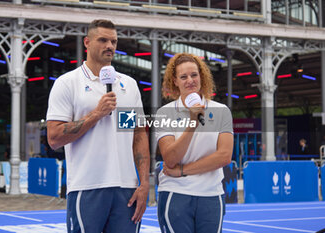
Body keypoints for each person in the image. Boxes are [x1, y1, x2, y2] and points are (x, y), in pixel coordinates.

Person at [46, 19, 150, 233]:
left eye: (113, 41)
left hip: (126, 189)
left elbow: (137, 135)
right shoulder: (67, 83)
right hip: (86, 187)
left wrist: (144, 184)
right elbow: (54, 138)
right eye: (103, 40)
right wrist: (96, 114)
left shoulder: (128, 85)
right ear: (87, 42)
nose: (109, 46)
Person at [155, 53, 234, 233]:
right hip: (176, 194)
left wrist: (183, 171)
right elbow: (170, 158)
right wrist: (192, 122)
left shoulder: (221, 111)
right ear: (175, 81)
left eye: (194, 75)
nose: (190, 80)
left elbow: (224, 156)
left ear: (202, 76)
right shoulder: (164, 113)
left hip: (211, 195)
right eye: (183, 77)